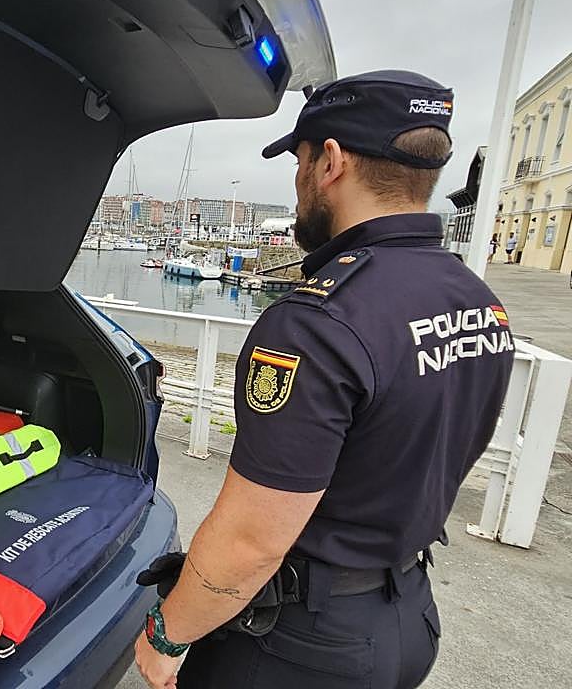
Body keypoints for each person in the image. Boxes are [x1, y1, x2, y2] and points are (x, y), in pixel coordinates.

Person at [134, 71, 514, 688]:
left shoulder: (314, 324)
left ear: (330, 162)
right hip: (407, 615)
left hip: (299, 645)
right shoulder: (475, 299)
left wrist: (167, 633)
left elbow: (252, 542)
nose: (297, 185)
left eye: (300, 163)